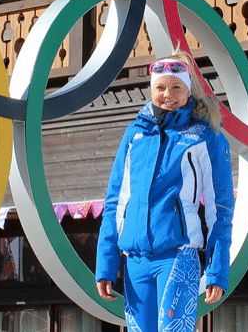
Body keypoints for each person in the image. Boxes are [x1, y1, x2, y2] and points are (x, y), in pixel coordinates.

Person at [96, 54, 235, 332]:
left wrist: (217, 270)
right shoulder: (135, 134)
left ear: (188, 91)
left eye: (176, 88)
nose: (167, 95)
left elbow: (221, 208)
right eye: (160, 88)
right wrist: (106, 264)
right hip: (135, 262)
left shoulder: (205, 136)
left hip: (177, 257)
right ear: (151, 90)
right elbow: (116, 202)